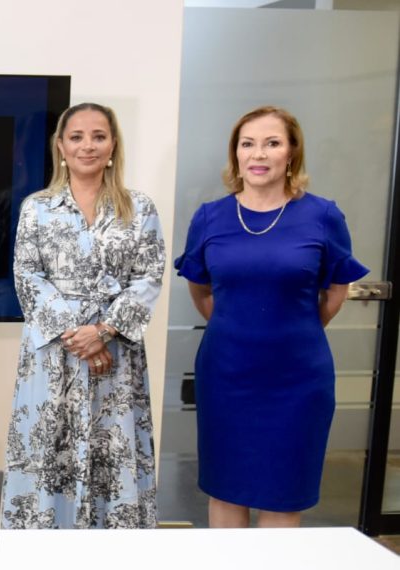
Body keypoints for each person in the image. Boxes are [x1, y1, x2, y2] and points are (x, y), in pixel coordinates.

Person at [174, 106, 368, 527]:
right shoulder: (210, 217)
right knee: (226, 489)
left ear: (292, 152)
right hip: (226, 375)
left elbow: (337, 289)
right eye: (248, 144)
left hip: (297, 379)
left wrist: (296, 328)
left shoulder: (323, 216)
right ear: (236, 153)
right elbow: (201, 289)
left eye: (272, 143)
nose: (258, 154)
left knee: (283, 494)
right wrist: (238, 327)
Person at [1, 102, 165, 529]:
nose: (87, 146)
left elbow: (149, 276)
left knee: (113, 454)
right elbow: (27, 275)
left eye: (98, 136)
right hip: (54, 357)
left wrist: (104, 332)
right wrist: (79, 337)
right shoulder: (37, 208)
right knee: (47, 455)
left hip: (117, 360)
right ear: (60, 146)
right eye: (76, 137)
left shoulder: (140, 208)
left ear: (113, 145)